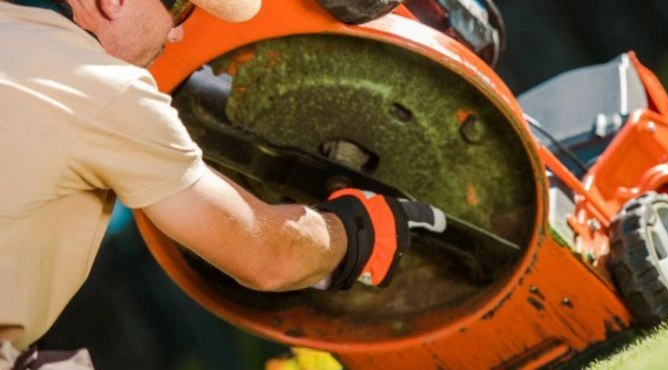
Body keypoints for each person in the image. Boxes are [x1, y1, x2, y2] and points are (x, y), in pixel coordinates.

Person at [0, 0, 445, 367]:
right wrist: (357, 232)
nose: (175, 35)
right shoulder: (102, 87)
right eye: (180, 13)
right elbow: (270, 257)